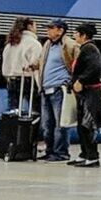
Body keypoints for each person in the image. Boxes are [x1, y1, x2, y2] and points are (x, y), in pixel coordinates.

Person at [69, 22, 101, 169]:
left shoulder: (89, 49)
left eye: (76, 33)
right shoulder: (85, 48)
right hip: (85, 93)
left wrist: (81, 80)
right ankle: (84, 154)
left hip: (91, 93)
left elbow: (94, 68)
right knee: (81, 125)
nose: (73, 35)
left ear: (83, 35)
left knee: (87, 126)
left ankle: (92, 156)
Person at [38, 20, 75, 161]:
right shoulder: (47, 44)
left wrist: (71, 81)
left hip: (59, 90)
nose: (47, 31)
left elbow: (78, 62)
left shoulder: (69, 44)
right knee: (47, 124)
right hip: (45, 89)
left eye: (50, 28)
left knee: (61, 124)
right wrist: (33, 66)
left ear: (60, 31)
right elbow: (43, 61)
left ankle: (61, 153)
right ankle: (50, 150)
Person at [0, 17, 43, 114]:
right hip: (28, 80)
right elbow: (36, 65)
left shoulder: (10, 43)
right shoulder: (34, 44)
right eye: (35, 26)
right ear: (30, 26)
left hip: (12, 80)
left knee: (13, 111)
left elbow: (5, 66)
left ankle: (12, 128)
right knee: (35, 111)